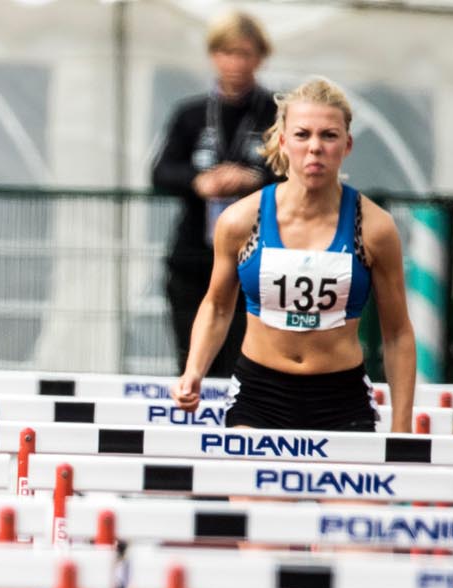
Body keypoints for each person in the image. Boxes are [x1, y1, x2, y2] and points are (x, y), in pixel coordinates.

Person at [171, 77, 416, 435]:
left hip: (340, 397)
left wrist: (402, 427)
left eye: (328, 136)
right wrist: (194, 370)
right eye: (302, 135)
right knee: (254, 491)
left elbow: (396, 334)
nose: (315, 147)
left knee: (360, 495)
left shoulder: (375, 228)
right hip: (259, 395)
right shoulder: (241, 220)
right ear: (283, 142)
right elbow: (218, 306)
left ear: (347, 145)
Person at [151, 11, 278, 378]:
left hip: (255, 259)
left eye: (245, 53)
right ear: (213, 56)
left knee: (245, 364)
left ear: (259, 57)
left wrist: (251, 179)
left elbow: (293, 174)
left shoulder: (275, 113)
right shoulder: (191, 114)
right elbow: (161, 171)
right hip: (194, 256)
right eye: (227, 52)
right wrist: (199, 181)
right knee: (193, 358)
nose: (236, 63)